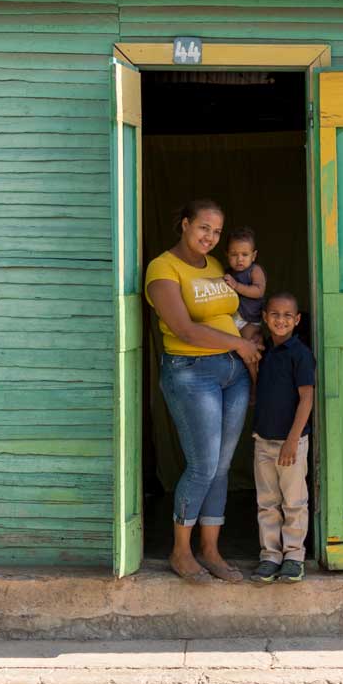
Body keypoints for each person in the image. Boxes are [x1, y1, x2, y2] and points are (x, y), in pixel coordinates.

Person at [145, 199, 263, 583]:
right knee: (202, 466)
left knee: (223, 467)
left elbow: (229, 317)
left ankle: (210, 550)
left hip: (233, 372)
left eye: (216, 231)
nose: (210, 237)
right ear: (184, 225)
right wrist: (240, 346)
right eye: (203, 228)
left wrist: (253, 339)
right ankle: (181, 552)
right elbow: (185, 329)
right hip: (192, 373)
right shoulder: (163, 269)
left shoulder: (215, 267)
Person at [249, 291, 315, 584]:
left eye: (288, 315)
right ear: (264, 317)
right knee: (267, 501)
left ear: (297, 320)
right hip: (263, 440)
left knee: (294, 501)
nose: (281, 320)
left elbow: (306, 399)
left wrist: (292, 440)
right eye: (274, 314)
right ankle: (270, 555)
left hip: (292, 443)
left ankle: (293, 556)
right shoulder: (264, 353)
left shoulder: (300, 355)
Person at [222, 226, 267, 393]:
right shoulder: (227, 273)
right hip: (233, 318)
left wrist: (236, 285)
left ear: (253, 255)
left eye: (245, 255)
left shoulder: (255, 270)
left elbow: (258, 291)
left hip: (249, 320)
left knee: (250, 355)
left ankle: (255, 385)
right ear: (226, 254)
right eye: (234, 255)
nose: (239, 259)